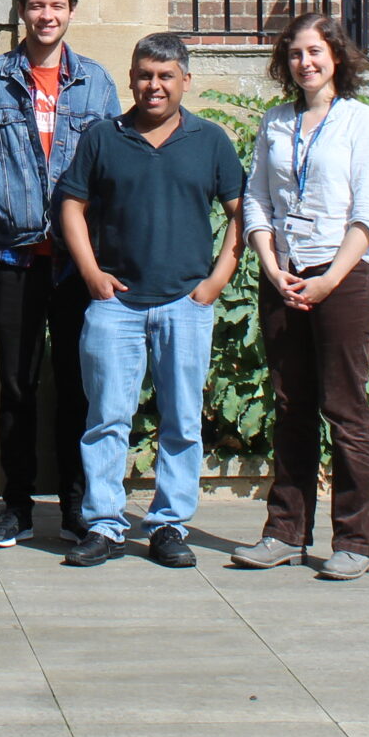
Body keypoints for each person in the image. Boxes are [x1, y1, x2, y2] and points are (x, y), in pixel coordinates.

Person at [56, 32, 244, 569]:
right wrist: (91, 272)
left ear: (185, 80)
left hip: (185, 304)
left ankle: (168, 525)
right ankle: (105, 525)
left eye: (165, 76)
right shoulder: (103, 137)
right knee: (106, 420)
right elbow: (71, 205)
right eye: (144, 75)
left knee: (182, 421)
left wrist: (215, 282)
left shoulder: (211, 141)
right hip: (116, 306)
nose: (154, 86)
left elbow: (242, 214)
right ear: (131, 78)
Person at [0, 0, 120, 548]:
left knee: (78, 385)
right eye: (36, 5)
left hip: (79, 262)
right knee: (16, 384)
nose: (46, 15)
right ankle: (17, 507)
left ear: (71, 11)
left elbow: (113, 169)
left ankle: (77, 506)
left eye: (56, 5)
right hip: (16, 254)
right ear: (21, 10)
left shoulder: (97, 82)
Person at [232, 12, 369, 582]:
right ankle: (285, 532)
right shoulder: (275, 122)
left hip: (342, 274)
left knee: (345, 408)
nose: (305, 63)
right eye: (296, 53)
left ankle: (355, 541)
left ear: (337, 57)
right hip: (285, 273)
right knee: (290, 406)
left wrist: (329, 279)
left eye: (315, 52)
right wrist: (271, 266)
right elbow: (257, 200)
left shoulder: (363, 122)